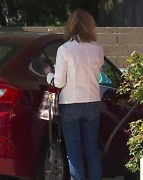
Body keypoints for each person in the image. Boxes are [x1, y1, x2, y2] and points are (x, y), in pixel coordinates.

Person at [44, 9, 104, 180]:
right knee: (92, 150)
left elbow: (60, 82)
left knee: (74, 152)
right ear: (90, 27)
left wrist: (49, 74)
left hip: (70, 103)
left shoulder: (65, 49)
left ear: (70, 26)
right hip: (92, 101)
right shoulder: (98, 49)